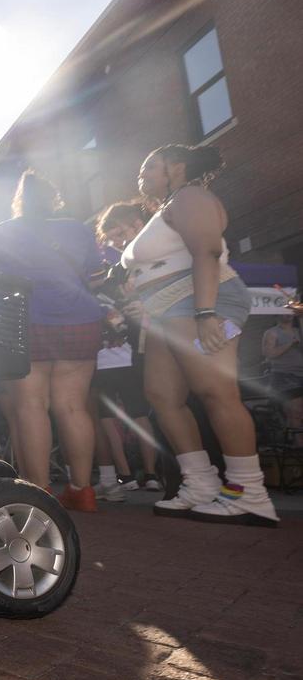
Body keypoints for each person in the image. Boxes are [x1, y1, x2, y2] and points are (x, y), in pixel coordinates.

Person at [122, 144, 277, 525]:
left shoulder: (191, 196)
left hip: (201, 300)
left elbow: (206, 252)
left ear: (177, 167)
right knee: (163, 396)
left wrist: (206, 313)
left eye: (149, 166)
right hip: (165, 310)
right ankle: (201, 484)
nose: (141, 174)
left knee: (215, 391)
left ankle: (248, 493)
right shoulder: (165, 207)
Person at [0, 171, 104, 512]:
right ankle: (83, 489)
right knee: (73, 406)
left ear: (19, 200)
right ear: (53, 197)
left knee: (31, 405)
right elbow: (95, 274)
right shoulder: (77, 229)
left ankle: (40, 491)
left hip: (26, 321)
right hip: (81, 320)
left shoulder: (1, 232)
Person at [92, 201, 162, 494]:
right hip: (132, 354)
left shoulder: (102, 280)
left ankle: (126, 475)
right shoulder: (120, 274)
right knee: (138, 413)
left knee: (110, 418)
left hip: (104, 358)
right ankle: (150, 474)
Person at [261, 313, 302, 437]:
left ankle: (295, 442)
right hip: (285, 376)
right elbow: (269, 353)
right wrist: (290, 344)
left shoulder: (298, 330)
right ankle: (298, 445)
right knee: (296, 411)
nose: (287, 315)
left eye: (290, 313)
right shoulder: (272, 333)